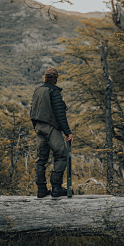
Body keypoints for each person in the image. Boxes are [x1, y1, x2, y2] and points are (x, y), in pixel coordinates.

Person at [30, 67, 73, 198]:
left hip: (39, 127)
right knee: (61, 155)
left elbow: (32, 110)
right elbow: (60, 114)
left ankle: (41, 189)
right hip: (51, 127)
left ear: (45, 77)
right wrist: (68, 133)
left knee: (41, 159)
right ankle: (56, 188)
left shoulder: (37, 90)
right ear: (56, 78)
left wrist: (36, 127)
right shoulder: (54, 91)